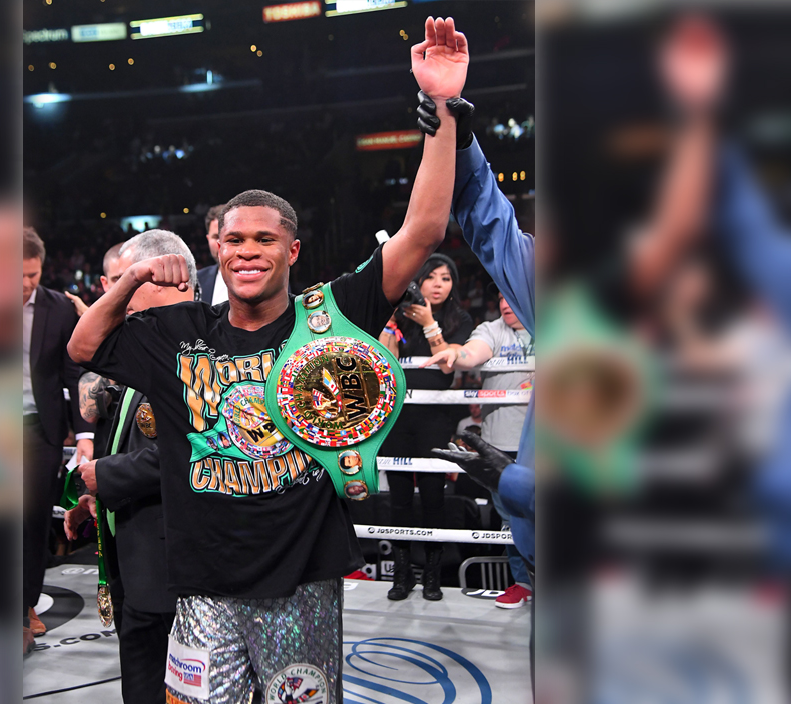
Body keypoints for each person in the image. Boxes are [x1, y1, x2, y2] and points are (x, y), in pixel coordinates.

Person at [67, 16, 469, 699]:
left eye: (264, 238)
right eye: (234, 240)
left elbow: (424, 230)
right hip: (200, 589)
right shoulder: (180, 331)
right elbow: (84, 346)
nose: (247, 250)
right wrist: (131, 278)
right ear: (216, 250)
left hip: (301, 582)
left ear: (292, 250)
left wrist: (444, 106)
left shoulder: (330, 314)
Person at [66, 231, 198, 704]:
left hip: (174, 559)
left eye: (126, 280)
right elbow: (124, 430)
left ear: (159, 277)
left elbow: (200, 449)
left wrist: (108, 476)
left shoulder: (201, 347)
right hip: (134, 548)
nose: (115, 293)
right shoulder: (146, 343)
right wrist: (95, 494)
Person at [426, 289, 533, 607]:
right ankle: (524, 583)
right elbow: (472, 353)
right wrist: (455, 354)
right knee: (510, 520)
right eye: (500, 297)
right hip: (499, 446)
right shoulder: (492, 329)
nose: (504, 304)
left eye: (511, 296)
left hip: (545, 443)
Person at [378, 253, 473, 601]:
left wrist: (430, 323)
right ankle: (402, 574)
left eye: (445, 279)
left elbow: (446, 368)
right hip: (397, 417)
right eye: (431, 277)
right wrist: (390, 321)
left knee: (434, 496)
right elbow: (384, 363)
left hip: (435, 418)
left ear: (453, 285)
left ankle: (433, 576)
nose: (438, 285)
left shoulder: (460, 319)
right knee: (399, 498)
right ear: (419, 281)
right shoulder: (401, 316)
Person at [23, 226, 95, 639]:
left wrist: (83, 434)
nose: (23, 283)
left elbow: (75, 375)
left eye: (31, 274)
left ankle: (26, 603)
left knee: (32, 520)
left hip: (39, 430)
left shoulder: (59, 309)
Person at [196, 204, 227, 305]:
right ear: (208, 239)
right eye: (216, 237)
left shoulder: (261, 279)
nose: (221, 243)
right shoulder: (197, 281)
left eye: (227, 237)